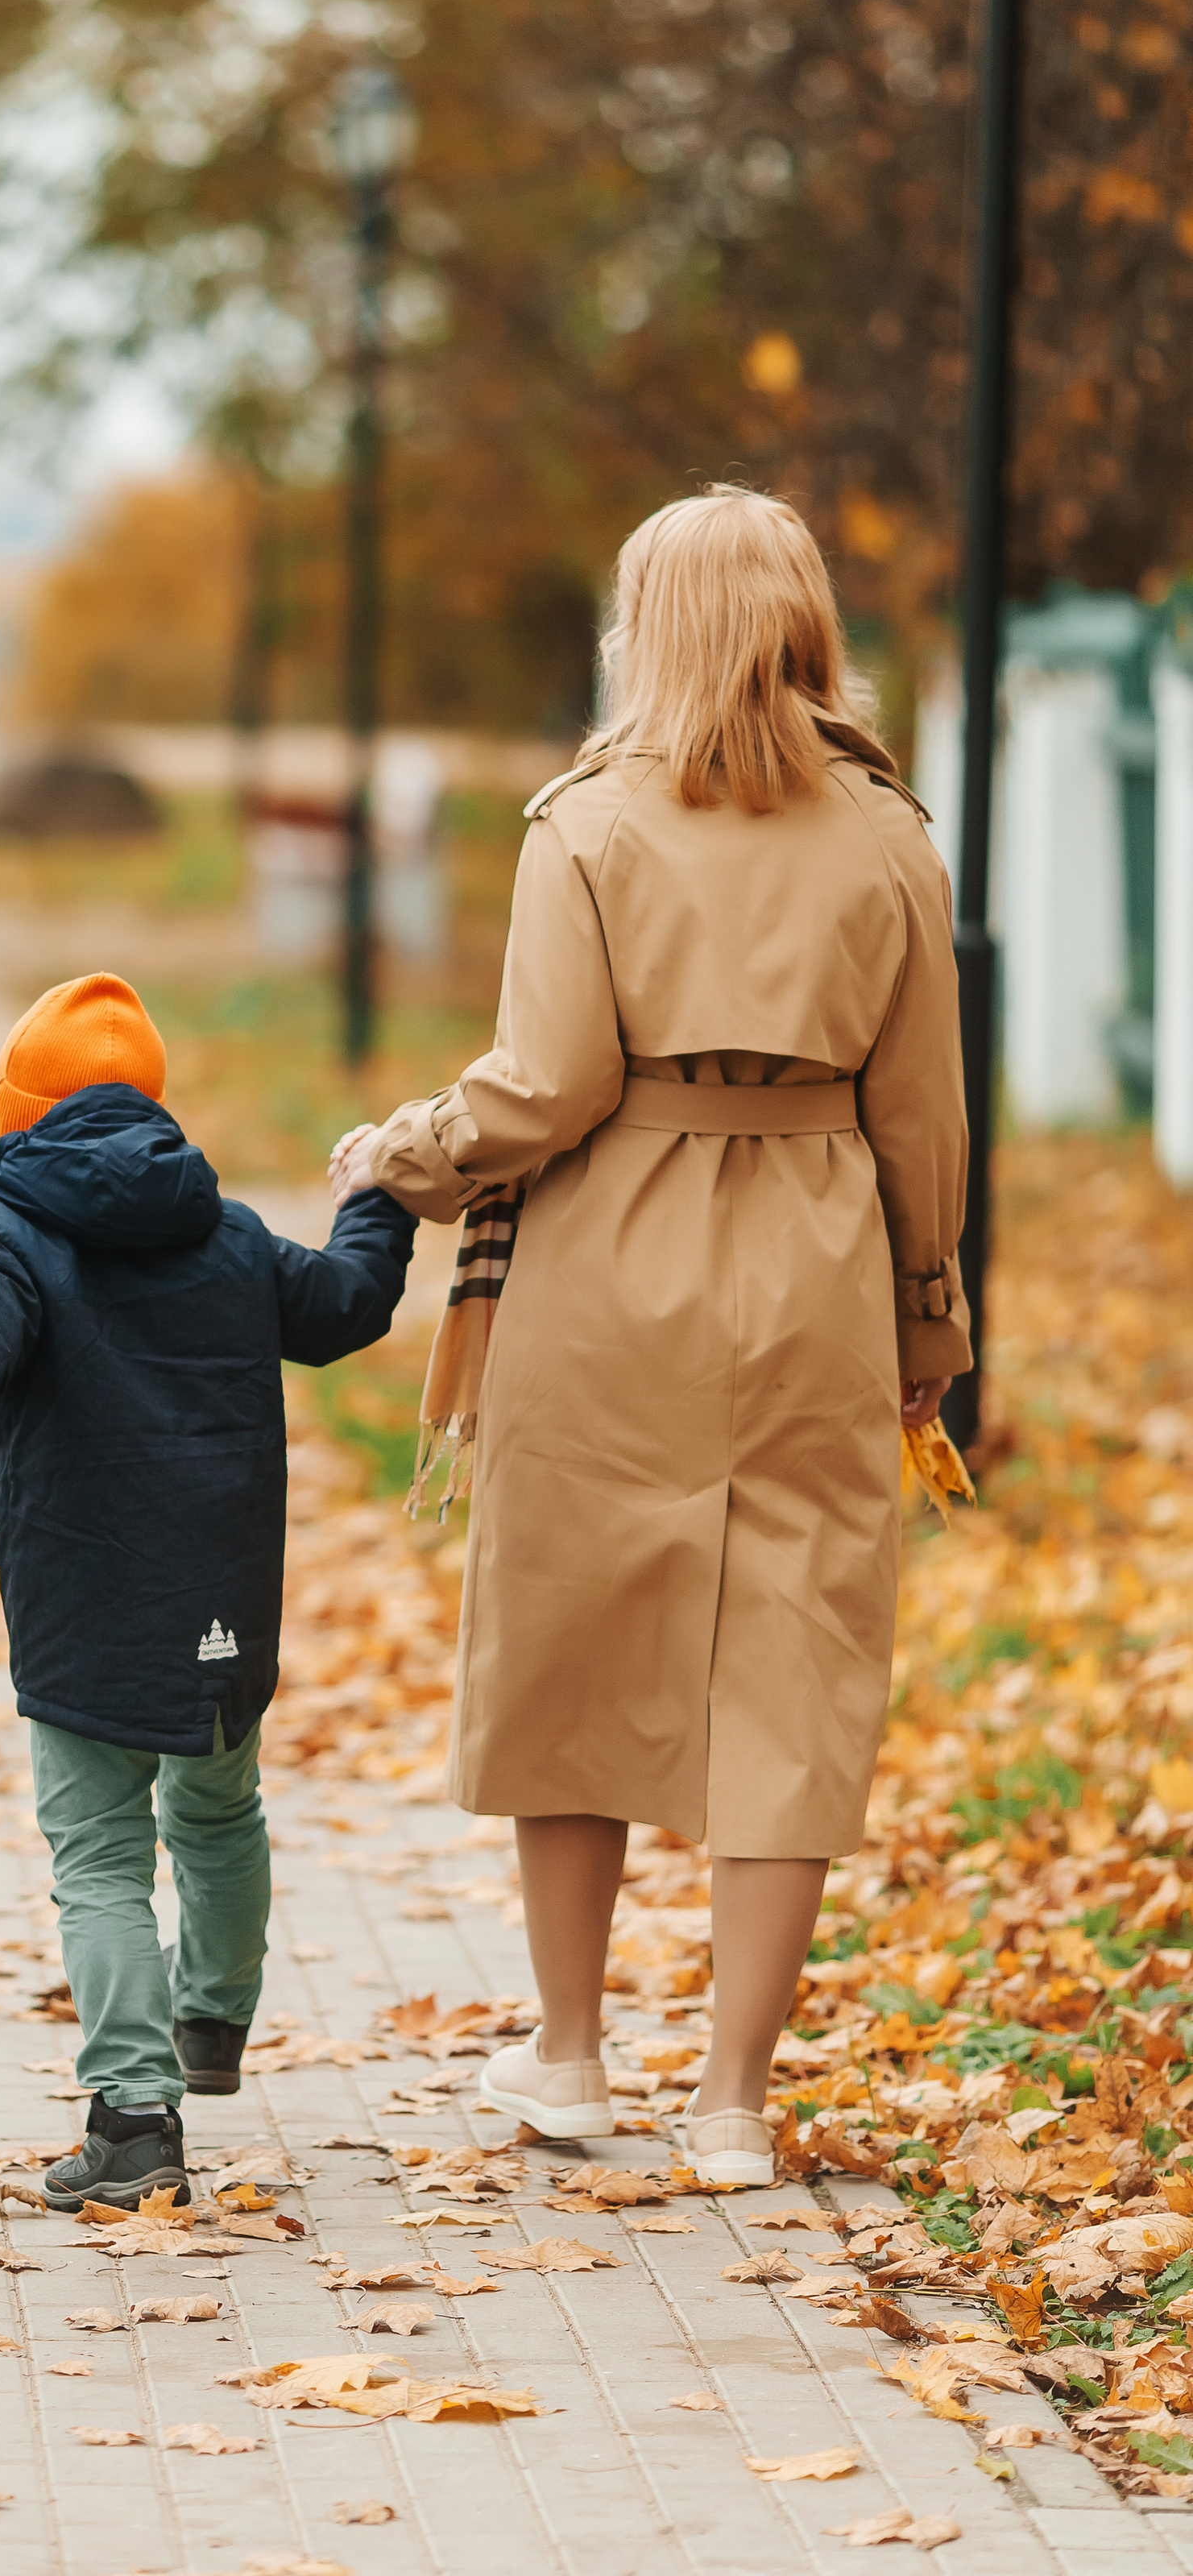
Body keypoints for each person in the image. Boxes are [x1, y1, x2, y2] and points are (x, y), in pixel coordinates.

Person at [329, 487, 970, 2191]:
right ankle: (735, 2103)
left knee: (574, 1629)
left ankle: (567, 2057)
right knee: (796, 1660)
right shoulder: (890, 837)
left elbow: (547, 1086)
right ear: (798, 617)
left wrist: (403, 1155)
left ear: (649, 625)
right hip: (821, 1256)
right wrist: (928, 1318)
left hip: (611, 1263)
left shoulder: (586, 826)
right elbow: (922, 1121)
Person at [0, 972, 415, 2209]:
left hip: (85, 1602)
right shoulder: (232, 1235)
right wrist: (378, 1201)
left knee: (97, 1856)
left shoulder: (11, 1243)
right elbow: (347, 1306)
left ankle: (136, 2120)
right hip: (225, 1599)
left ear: (18, 1118)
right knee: (217, 1813)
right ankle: (213, 2024)